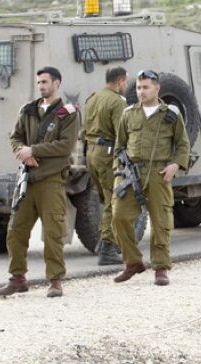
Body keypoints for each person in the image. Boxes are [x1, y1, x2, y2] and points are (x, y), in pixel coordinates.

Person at [0, 67, 80, 298]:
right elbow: (15, 137)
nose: (41, 86)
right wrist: (22, 151)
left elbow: (66, 145)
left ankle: (55, 280)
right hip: (27, 179)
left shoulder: (68, 112)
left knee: (53, 232)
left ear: (57, 83)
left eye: (45, 82)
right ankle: (17, 278)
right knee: (15, 230)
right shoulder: (28, 110)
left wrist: (34, 149)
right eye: (39, 82)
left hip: (51, 181)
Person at [112, 70, 190, 286]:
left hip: (159, 173)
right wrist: (118, 172)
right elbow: (119, 146)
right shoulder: (128, 114)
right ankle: (133, 262)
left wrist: (175, 165)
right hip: (130, 173)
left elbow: (183, 144)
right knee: (118, 216)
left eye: (145, 87)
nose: (141, 92)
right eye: (138, 87)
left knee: (161, 221)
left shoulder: (171, 114)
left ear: (157, 88)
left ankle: (161, 268)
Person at [81, 66, 128, 265]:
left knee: (104, 198)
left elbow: (83, 129)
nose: (126, 86)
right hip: (107, 154)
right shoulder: (116, 101)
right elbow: (122, 133)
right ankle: (108, 248)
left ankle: (103, 240)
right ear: (120, 81)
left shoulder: (92, 98)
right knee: (113, 200)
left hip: (90, 153)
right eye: (125, 82)